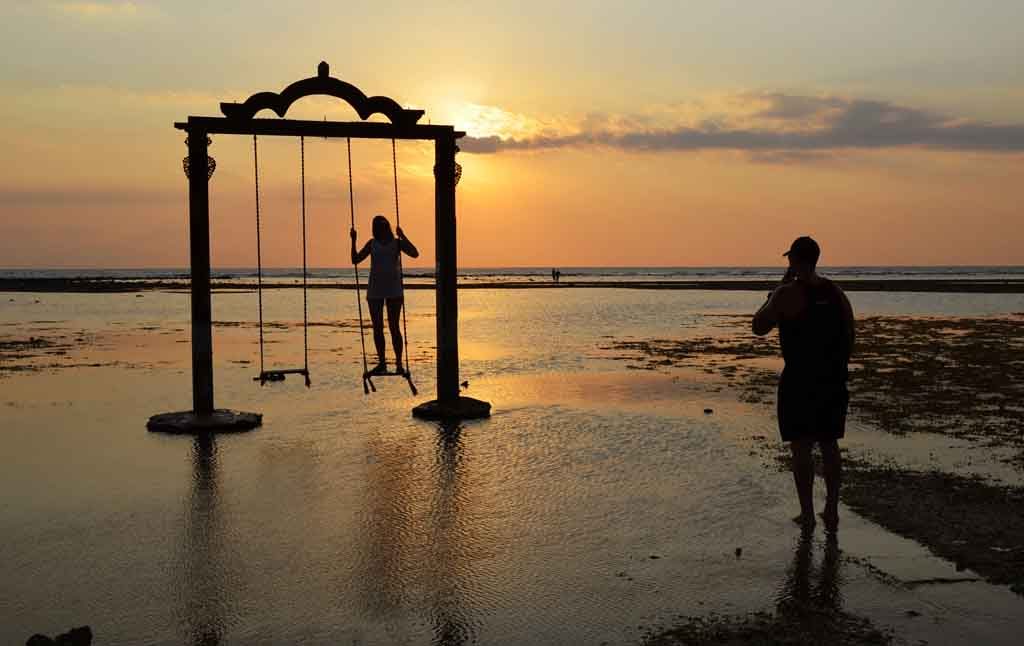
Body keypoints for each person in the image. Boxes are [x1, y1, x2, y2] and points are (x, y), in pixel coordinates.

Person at [752, 236, 854, 530]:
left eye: (790, 260)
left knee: (801, 447)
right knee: (829, 444)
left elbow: (759, 326)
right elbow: (850, 334)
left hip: (800, 379)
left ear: (794, 261)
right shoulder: (837, 293)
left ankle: (808, 512)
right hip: (833, 378)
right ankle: (831, 509)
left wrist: (773, 294)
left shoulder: (787, 293)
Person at [351, 215, 419, 376]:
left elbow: (415, 253)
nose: (382, 228)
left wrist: (402, 235)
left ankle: (399, 363)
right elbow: (355, 259)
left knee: (394, 327)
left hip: (393, 290)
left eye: (384, 225)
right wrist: (353, 240)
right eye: (379, 226)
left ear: (387, 226)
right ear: (375, 228)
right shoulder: (372, 243)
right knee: (377, 328)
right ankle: (382, 363)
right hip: (375, 289)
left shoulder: (396, 243)